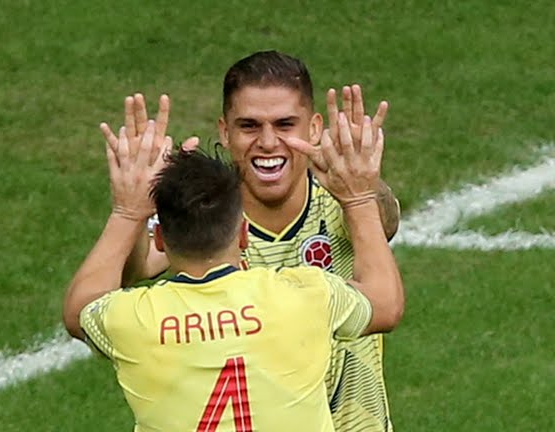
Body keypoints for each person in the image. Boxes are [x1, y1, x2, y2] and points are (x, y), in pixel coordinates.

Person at [107, 51, 402, 431]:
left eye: (285, 124)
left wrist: (361, 189)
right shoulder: (209, 215)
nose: (267, 142)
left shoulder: (345, 201)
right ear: (225, 131)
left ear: (314, 129)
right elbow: (134, 268)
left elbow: (386, 219)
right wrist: (140, 203)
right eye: (249, 126)